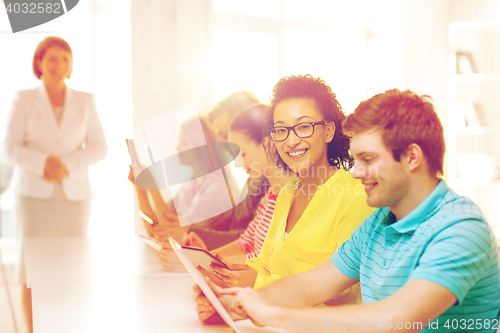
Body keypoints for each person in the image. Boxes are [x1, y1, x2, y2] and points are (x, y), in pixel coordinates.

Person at [196, 89, 500, 332]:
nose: (356, 173)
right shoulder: (378, 224)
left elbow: (394, 321)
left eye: (367, 159)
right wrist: (237, 303)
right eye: (356, 160)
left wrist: (271, 315)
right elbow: (311, 284)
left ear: (411, 157)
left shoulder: (461, 228)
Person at [198, 75, 374, 291]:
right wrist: (225, 285)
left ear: (328, 131)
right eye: (281, 130)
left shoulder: (356, 196)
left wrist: (255, 285)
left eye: (303, 127)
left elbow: (342, 292)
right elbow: (264, 264)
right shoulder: (286, 193)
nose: (291, 141)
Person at [2, 36, 107, 332]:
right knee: (32, 272)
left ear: (70, 64)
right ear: (39, 63)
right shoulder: (23, 98)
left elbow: (100, 147)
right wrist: (42, 162)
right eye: (52, 59)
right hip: (34, 199)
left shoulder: (85, 100)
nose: (58, 65)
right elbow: (8, 147)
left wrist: (68, 165)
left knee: (71, 271)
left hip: (74, 200)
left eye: (64, 59)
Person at [159, 103, 296, 273]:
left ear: (268, 144)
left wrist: (199, 262)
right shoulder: (270, 196)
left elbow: (267, 261)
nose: (237, 164)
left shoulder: (294, 197)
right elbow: (245, 243)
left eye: (243, 154)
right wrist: (206, 256)